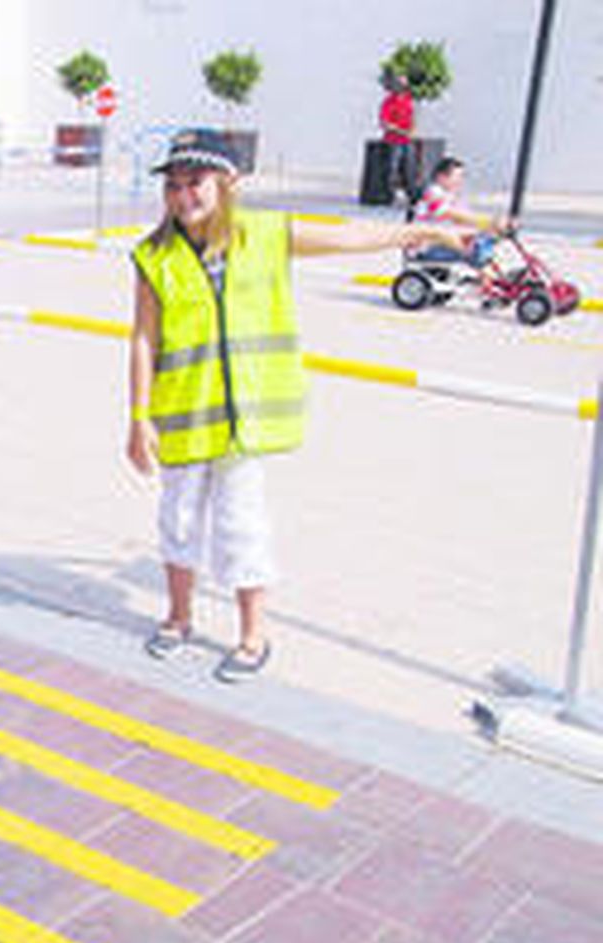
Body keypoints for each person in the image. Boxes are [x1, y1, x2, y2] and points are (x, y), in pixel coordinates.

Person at [128, 129, 466, 683]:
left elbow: (351, 237)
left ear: (228, 183)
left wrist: (425, 229)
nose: (182, 195)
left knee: (241, 526)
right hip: (182, 415)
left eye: (195, 182)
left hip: (247, 421)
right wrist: (137, 418)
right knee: (179, 520)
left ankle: (252, 633)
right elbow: (143, 339)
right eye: (173, 185)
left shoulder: (265, 233)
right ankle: (179, 616)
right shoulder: (153, 255)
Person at [411, 156, 511, 282]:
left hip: (442, 242)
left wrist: (488, 229)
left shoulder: (450, 196)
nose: (460, 181)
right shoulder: (433, 194)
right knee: (475, 249)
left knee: (484, 242)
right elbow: (453, 216)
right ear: (441, 177)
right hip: (427, 248)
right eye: (457, 177)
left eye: (462, 176)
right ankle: (489, 283)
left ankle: (491, 281)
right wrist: (489, 222)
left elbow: (465, 220)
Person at [378, 73, 416, 206]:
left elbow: (411, 117)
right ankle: (390, 196)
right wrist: (402, 131)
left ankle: (411, 197)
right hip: (394, 141)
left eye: (405, 84)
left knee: (410, 169)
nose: (403, 86)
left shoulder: (408, 99)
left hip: (407, 141)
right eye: (400, 84)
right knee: (392, 170)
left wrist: (411, 130)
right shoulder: (388, 102)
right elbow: (384, 124)